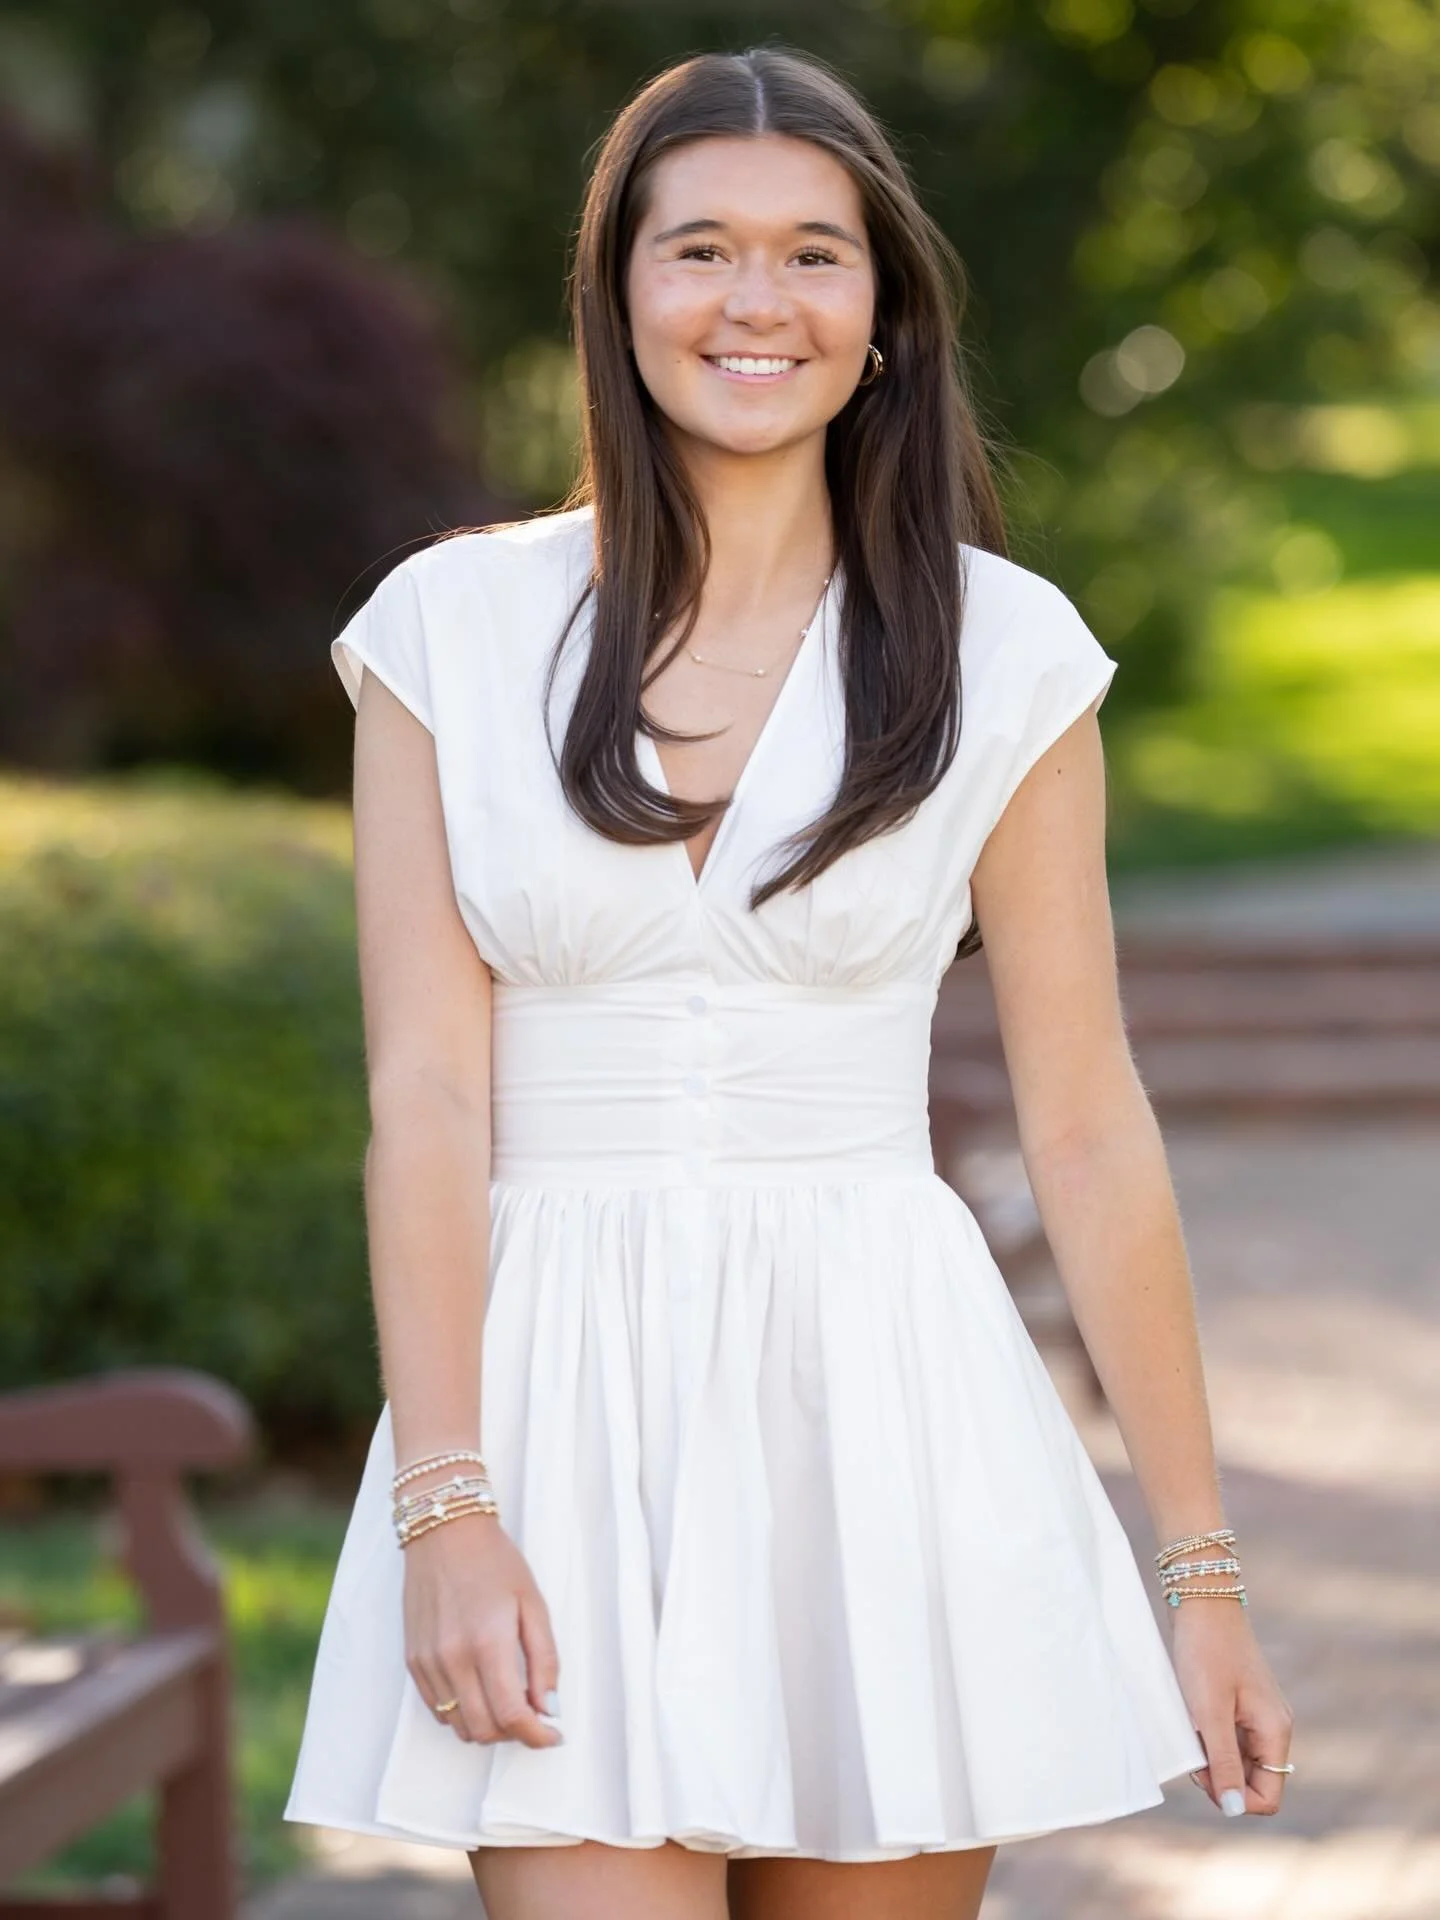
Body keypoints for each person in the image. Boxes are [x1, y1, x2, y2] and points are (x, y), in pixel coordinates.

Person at [286, 45, 1294, 1920]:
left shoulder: (1006, 653)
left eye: (816, 254)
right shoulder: (453, 628)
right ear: (619, 294)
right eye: (703, 251)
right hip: (553, 1410)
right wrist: (449, 1500)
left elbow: (1085, 1122)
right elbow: (424, 1093)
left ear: (886, 313)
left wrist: (1202, 1575)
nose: (758, 300)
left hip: (884, 1405)